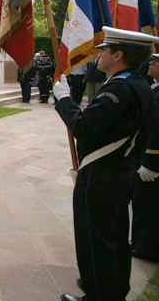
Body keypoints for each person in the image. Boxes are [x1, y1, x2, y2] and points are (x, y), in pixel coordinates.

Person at [53, 26, 158, 301]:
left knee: (95, 240)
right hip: (119, 172)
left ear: (118, 54)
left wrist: (64, 99)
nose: (99, 55)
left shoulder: (121, 89)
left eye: (105, 50)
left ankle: (98, 294)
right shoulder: (137, 84)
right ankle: (110, 288)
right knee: (114, 238)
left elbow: (85, 128)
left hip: (103, 176)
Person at [131, 53, 159, 263]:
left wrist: (150, 161)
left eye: (156, 61)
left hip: (152, 161)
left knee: (148, 204)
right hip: (145, 157)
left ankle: (146, 248)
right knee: (142, 202)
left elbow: (156, 131)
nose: (150, 63)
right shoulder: (154, 87)